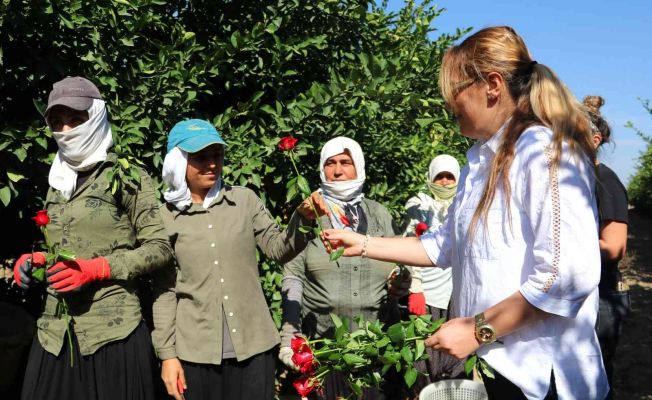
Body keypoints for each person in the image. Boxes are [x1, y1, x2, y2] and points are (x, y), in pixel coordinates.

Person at [321, 26, 609, 400]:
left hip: (543, 375)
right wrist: (361, 243)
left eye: (454, 90)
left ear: (492, 85)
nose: (447, 104)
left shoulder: (544, 154)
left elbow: (564, 278)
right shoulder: (480, 162)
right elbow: (443, 246)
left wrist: (477, 330)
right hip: (496, 365)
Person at [12, 76, 174, 400]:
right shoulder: (57, 180)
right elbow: (64, 247)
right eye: (58, 122)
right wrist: (38, 261)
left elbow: (160, 248)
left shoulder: (125, 176)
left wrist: (97, 269)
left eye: (76, 118)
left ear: (96, 116)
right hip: (54, 333)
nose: (67, 130)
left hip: (113, 334)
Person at [151, 119, 328, 400]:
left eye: (217, 155)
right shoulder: (165, 218)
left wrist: (302, 221)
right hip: (195, 353)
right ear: (178, 161)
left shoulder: (244, 201)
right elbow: (165, 291)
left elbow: (278, 249)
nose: (212, 163)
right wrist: (167, 355)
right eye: (200, 157)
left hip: (253, 347)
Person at [279, 137, 407, 400]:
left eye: (345, 163)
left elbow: (399, 265)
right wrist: (289, 336)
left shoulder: (379, 215)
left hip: (376, 348)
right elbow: (293, 277)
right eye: (330, 163)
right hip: (324, 350)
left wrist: (399, 282)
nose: (337, 171)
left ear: (358, 166)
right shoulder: (307, 214)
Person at [403, 154, 465, 391]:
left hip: (455, 295)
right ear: (430, 179)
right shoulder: (420, 206)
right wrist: (415, 287)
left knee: (455, 356)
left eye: (450, 177)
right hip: (427, 296)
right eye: (440, 177)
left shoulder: (464, 204)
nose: (446, 182)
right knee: (425, 356)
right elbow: (412, 246)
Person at [584, 95, 629, 399]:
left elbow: (614, 247)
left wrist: (567, 247)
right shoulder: (579, 179)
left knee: (596, 379)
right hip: (586, 294)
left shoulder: (605, 182)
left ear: (595, 140)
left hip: (603, 297)